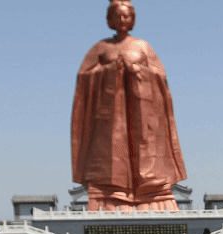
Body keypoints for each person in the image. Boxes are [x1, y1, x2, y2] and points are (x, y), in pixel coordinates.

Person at [71, 0, 187, 211]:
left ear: (132, 20)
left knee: (147, 147)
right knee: (111, 152)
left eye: (126, 16)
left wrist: (138, 72)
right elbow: (84, 79)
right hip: (110, 117)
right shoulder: (100, 48)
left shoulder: (143, 46)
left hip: (142, 112)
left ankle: (152, 193)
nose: (122, 20)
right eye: (118, 16)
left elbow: (160, 78)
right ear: (110, 20)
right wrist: (110, 71)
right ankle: (112, 193)